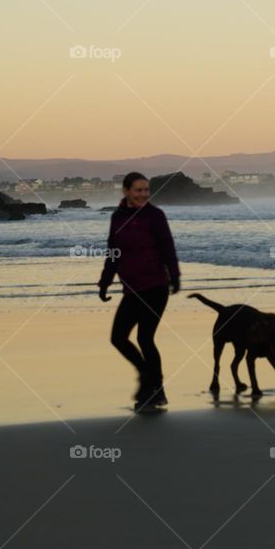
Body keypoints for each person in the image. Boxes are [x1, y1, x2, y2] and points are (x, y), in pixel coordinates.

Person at [98, 172, 180, 412]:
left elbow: (168, 247)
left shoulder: (155, 216)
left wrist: (174, 277)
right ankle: (151, 381)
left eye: (146, 190)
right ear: (126, 191)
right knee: (118, 338)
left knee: (145, 338)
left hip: (155, 286)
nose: (144, 194)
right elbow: (113, 252)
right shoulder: (117, 217)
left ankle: (153, 391)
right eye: (138, 190)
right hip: (132, 289)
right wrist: (104, 282)